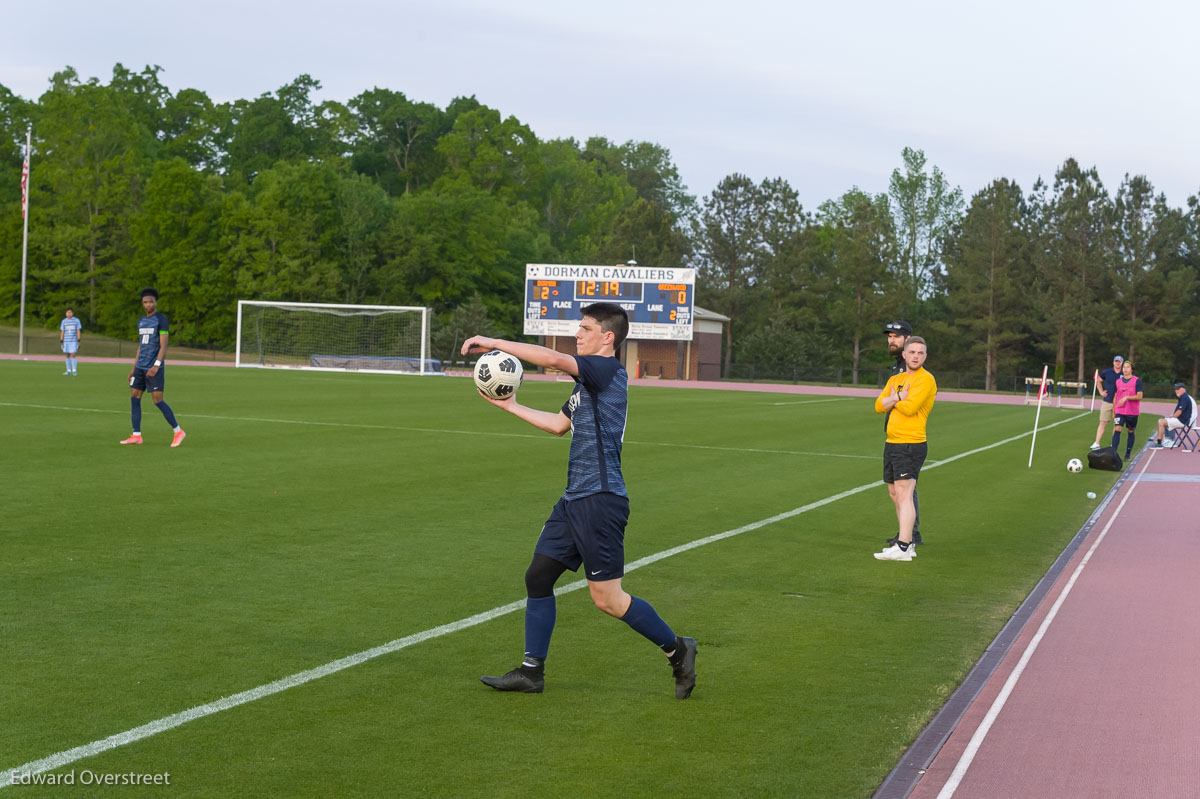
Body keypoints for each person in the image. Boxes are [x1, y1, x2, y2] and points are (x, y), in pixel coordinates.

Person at [460, 302, 697, 698]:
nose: (578, 334)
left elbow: (553, 358)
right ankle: (531, 672)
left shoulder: (606, 371)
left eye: (585, 329)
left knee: (607, 600)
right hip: (574, 500)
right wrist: (511, 405)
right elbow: (558, 425)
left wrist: (493, 341)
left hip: (601, 501)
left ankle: (678, 650)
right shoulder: (586, 386)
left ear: (608, 338)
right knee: (538, 576)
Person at [874, 336, 937, 562]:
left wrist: (893, 400)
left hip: (911, 443)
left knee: (904, 493)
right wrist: (898, 396)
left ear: (925, 356)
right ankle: (907, 543)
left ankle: (902, 546)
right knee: (894, 493)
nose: (916, 356)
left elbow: (910, 409)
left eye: (920, 353)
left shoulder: (926, 379)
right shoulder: (897, 379)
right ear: (904, 354)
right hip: (892, 442)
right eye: (912, 352)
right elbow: (878, 406)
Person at [120, 288, 186, 448]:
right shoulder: (141, 321)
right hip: (140, 367)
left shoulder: (161, 320)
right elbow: (140, 347)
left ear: (155, 302)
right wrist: (133, 368)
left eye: (151, 301)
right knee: (134, 397)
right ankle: (136, 435)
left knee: (157, 400)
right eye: (145, 302)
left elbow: (164, 345)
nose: (148, 304)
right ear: (142, 304)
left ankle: (178, 431)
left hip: (154, 367)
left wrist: (156, 365)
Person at [882, 320, 924, 549]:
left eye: (896, 336)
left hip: (907, 436)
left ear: (908, 339)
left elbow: (904, 403)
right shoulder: (897, 367)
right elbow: (881, 403)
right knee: (897, 488)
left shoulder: (910, 367)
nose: (891, 340)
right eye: (889, 336)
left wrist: (893, 401)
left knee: (905, 487)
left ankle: (910, 535)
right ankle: (907, 532)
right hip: (894, 433)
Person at [1110, 359, 1143, 459]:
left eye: (1128, 367)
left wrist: (1126, 397)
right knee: (1117, 429)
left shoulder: (1137, 381)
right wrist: (1113, 411)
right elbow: (1115, 397)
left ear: (1132, 369)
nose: (1125, 369)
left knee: (1131, 431)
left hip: (1132, 411)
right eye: (1124, 367)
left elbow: (1140, 396)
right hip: (1120, 410)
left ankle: (1128, 454)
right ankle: (1113, 454)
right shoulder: (1118, 381)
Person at [1092, 356, 1124, 449]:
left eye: (1119, 362)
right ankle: (1097, 443)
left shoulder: (1124, 373)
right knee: (1103, 422)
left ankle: (1113, 444)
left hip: (1119, 403)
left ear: (1122, 363)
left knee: (1116, 424)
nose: (1117, 363)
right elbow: (1098, 381)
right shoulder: (1107, 372)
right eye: (1116, 361)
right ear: (1113, 362)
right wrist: (1101, 392)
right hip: (1107, 401)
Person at [1150, 382, 1194, 448]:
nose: (1176, 391)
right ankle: (1169, 441)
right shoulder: (1184, 397)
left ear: (1183, 389)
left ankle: (1159, 443)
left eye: (1178, 389)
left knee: (1161, 421)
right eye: (1175, 389)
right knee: (1165, 420)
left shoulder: (1184, 398)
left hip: (1182, 421)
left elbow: (1179, 411)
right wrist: (1172, 417)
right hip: (1182, 420)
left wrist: (1173, 417)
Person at [59, 308, 82, 375]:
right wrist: (61, 340)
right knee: (67, 355)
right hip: (66, 341)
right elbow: (62, 331)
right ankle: (68, 371)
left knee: (73, 354)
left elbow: (78, 330)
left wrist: (79, 340)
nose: (69, 314)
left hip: (73, 341)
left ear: (72, 313)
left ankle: (74, 370)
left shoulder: (76, 320)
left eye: (70, 312)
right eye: (67, 312)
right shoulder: (64, 321)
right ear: (66, 314)